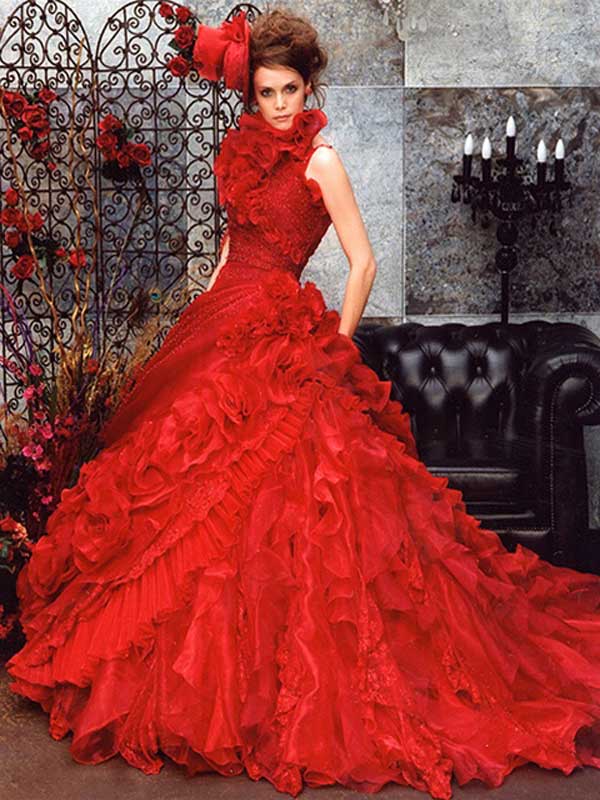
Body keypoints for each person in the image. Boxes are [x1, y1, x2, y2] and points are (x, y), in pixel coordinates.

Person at [4, 6, 600, 800]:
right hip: (224, 327)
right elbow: (229, 251)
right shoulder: (240, 152)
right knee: (181, 492)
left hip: (288, 335)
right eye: (265, 93)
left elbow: (363, 262)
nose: (279, 105)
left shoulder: (322, 161)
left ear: (308, 87)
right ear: (250, 95)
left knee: (290, 500)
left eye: (289, 90)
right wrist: (202, 318)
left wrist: (335, 344)